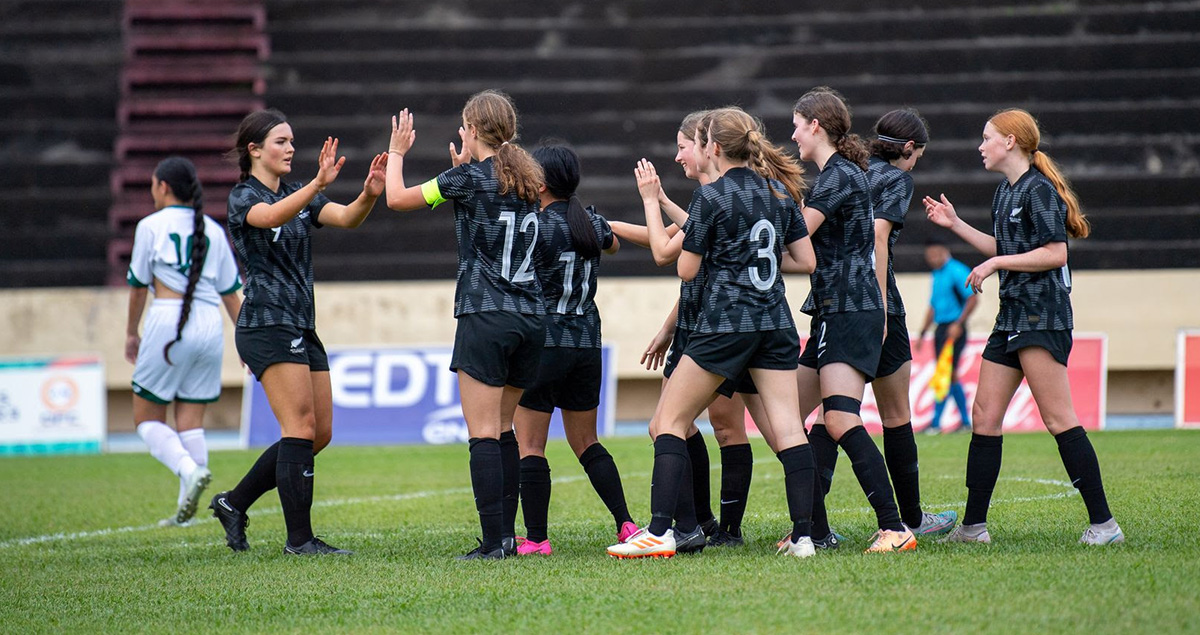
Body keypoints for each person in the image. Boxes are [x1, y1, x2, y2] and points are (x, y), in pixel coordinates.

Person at [608, 107, 819, 559]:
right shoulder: (779, 191)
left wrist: (651, 200)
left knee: (668, 422)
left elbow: (684, 268)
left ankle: (662, 531)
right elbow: (806, 261)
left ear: (715, 148)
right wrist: (747, 258)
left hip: (726, 324)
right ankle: (804, 538)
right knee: (788, 430)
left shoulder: (712, 197)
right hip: (775, 321)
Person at [924, 108, 1123, 545]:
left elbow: (1056, 253)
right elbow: (1006, 246)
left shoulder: (1038, 189)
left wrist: (995, 263)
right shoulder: (1004, 193)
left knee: (1058, 418)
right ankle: (974, 528)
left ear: (1010, 142)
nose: (980, 146)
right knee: (984, 416)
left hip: (1042, 317)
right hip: (1010, 317)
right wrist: (955, 224)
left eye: (986, 138)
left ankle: (1105, 526)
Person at [209, 109, 388, 555]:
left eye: (292, 141)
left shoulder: (297, 193)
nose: (291, 149)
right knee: (300, 427)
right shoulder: (243, 197)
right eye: (281, 142)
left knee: (318, 432)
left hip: (301, 324)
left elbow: (347, 218)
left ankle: (234, 502)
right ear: (254, 150)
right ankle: (299, 540)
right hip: (267, 323)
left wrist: (368, 194)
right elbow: (267, 218)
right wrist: (316, 185)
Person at [385, 90, 546, 560]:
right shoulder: (528, 178)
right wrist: (463, 170)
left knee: (481, 433)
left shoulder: (466, 179)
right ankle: (509, 537)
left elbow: (396, 198)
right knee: (503, 428)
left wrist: (396, 152)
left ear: (471, 130)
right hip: (531, 318)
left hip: (486, 314)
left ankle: (494, 542)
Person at [789, 87, 916, 553]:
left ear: (816, 126)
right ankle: (814, 530)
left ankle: (894, 528)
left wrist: (747, 215)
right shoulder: (836, 174)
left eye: (798, 124)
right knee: (787, 418)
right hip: (831, 310)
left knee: (840, 418)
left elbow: (798, 240)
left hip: (849, 308)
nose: (793, 134)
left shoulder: (839, 176)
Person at [510, 143, 633, 556]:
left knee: (531, 446)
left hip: (544, 345)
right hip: (585, 345)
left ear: (540, 183)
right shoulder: (590, 222)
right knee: (587, 442)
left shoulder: (536, 225)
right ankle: (626, 523)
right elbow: (612, 245)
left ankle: (537, 539)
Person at [126, 156, 241, 527]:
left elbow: (137, 287)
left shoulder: (150, 226)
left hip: (168, 320)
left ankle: (188, 470)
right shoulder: (212, 228)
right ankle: (185, 513)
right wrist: (246, 339)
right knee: (190, 420)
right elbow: (231, 294)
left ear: (162, 186)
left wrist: (131, 332)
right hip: (210, 325)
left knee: (146, 418)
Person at [918, 238, 978, 432]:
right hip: (941, 329)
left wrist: (958, 323)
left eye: (935, 254)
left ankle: (938, 422)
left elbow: (972, 298)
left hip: (954, 328)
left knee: (946, 373)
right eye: (929, 256)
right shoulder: (937, 274)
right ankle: (963, 422)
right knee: (947, 374)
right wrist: (923, 332)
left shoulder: (956, 270)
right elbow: (932, 306)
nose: (932, 259)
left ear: (944, 251)